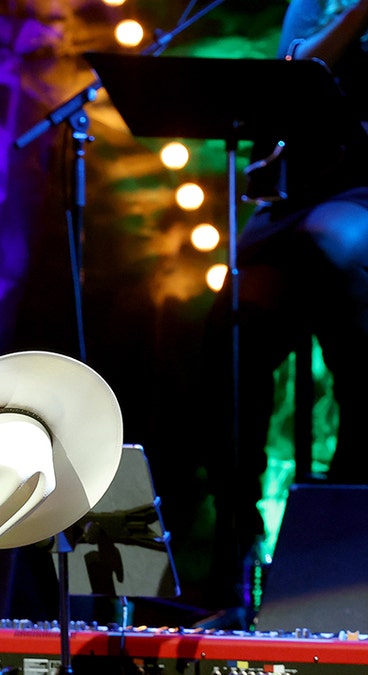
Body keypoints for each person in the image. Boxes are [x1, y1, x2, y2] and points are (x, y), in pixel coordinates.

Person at [201, 0, 368, 621]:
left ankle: (340, 518)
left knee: (328, 246)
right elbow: (298, 72)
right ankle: (236, 554)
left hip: (361, 193)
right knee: (230, 329)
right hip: (302, 190)